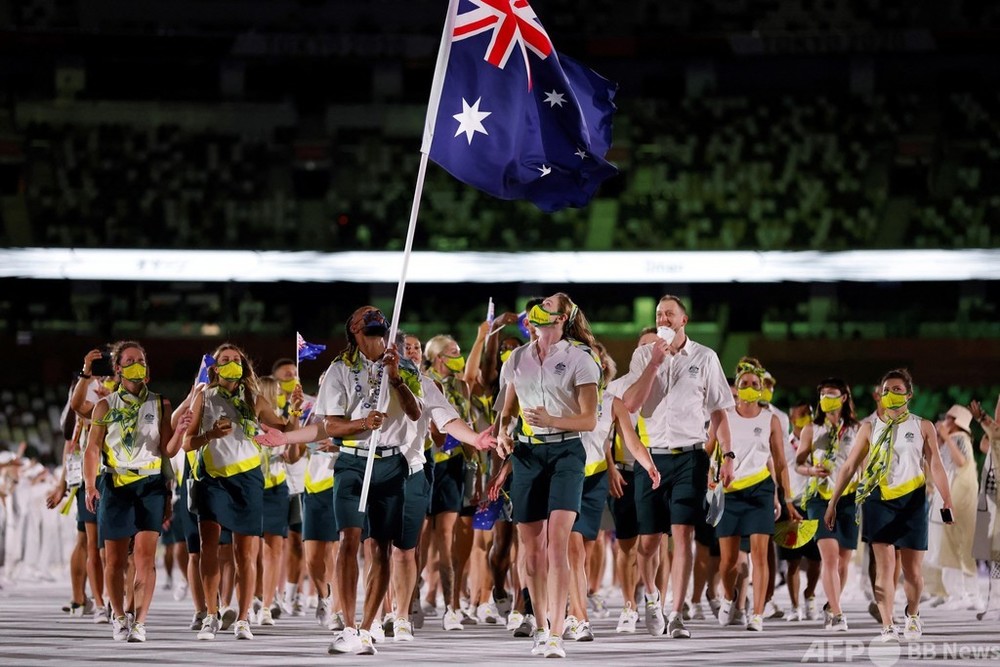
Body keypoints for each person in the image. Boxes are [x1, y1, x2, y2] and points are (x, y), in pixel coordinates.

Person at [257, 306, 422, 656]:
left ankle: (367, 626)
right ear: (354, 329)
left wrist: (395, 379)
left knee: (381, 547)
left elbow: (414, 412)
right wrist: (363, 424)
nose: (375, 316)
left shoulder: (403, 365)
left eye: (378, 313)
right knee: (349, 539)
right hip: (352, 463)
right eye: (367, 315)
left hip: (392, 463)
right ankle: (347, 625)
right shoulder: (339, 369)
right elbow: (330, 425)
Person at [621, 295, 735, 639]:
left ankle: (677, 612)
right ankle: (652, 599)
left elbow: (719, 412)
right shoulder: (643, 354)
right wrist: (654, 362)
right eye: (659, 314)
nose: (663, 317)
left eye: (669, 313)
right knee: (648, 542)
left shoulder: (706, 357)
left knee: (683, 534)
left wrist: (727, 456)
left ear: (683, 320)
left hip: (690, 455)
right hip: (651, 457)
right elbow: (631, 403)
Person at [494, 292, 601, 658]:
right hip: (527, 454)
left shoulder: (580, 358)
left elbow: (589, 419)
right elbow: (507, 410)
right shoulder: (517, 358)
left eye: (549, 306)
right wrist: (503, 433)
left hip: (567, 451)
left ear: (561, 319)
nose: (538, 309)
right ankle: (540, 624)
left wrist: (552, 420)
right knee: (532, 548)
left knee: (558, 543)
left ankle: (557, 630)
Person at [824, 368, 954, 643]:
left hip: (913, 501)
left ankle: (913, 615)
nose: (891, 395)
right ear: (879, 395)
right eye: (886, 390)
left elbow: (937, 466)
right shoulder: (869, 428)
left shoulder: (923, 426)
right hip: (878, 500)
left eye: (897, 390)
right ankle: (886, 625)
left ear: (909, 394)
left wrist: (947, 498)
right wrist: (833, 501)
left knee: (913, 572)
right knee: (884, 568)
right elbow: (848, 466)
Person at [83, 341, 190, 642]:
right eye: (129, 360)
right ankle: (118, 615)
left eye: (140, 360)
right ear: (117, 369)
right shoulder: (105, 406)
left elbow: (168, 450)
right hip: (115, 484)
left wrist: (180, 429)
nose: (136, 364)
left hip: (151, 484)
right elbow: (92, 449)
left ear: (147, 368)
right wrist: (91, 485)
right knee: (115, 561)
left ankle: (140, 621)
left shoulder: (160, 403)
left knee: (146, 558)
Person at [184, 343, 280, 641]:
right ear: (215, 367)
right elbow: (187, 443)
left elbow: (281, 426)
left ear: (244, 365)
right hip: (212, 478)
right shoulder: (204, 396)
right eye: (225, 359)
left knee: (245, 552)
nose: (232, 363)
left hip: (248, 478)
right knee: (208, 545)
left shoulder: (253, 396)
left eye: (236, 359)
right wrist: (211, 434)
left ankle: (242, 618)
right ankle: (212, 615)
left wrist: (292, 412)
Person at [715, 361, 800, 632]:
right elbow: (707, 450)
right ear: (736, 389)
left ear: (762, 388)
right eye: (744, 384)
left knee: (760, 556)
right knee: (728, 561)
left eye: (755, 384)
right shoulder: (723, 416)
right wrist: (709, 476)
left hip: (760, 490)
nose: (750, 388)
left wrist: (785, 498)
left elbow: (780, 462)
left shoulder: (771, 419)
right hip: (730, 492)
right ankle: (729, 597)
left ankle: (758, 614)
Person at [795, 377, 860, 631]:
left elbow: (862, 463)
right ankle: (838, 614)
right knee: (830, 558)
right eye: (822, 394)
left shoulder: (856, 429)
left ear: (844, 397)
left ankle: (831, 604)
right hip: (818, 499)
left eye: (831, 394)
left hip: (848, 497)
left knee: (844, 560)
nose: (825, 399)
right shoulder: (812, 429)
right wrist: (811, 470)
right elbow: (798, 464)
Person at [926, 405, 978, 608]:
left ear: (956, 421)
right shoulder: (951, 440)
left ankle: (960, 594)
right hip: (945, 496)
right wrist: (939, 439)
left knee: (952, 543)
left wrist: (946, 438)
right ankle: (951, 592)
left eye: (948, 417)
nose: (944, 420)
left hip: (954, 498)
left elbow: (961, 462)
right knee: (942, 542)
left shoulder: (959, 439)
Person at [780, 401, 821, 622]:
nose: (807, 416)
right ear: (792, 418)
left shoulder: (819, 442)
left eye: (810, 413)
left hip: (814, 502)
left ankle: (810, 594)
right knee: (793, 560)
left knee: (816, 558)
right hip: (792, 503)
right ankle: (795, 606)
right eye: (802, 414)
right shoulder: (785, 445)